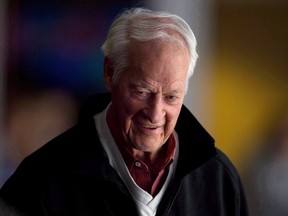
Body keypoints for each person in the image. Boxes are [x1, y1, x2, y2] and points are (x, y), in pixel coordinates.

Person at [0, 7, 248, 216]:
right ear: (110, 73)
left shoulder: (218, 178)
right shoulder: (39, 179)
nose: (155, 114)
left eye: (171, 97)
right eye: (142, 92)